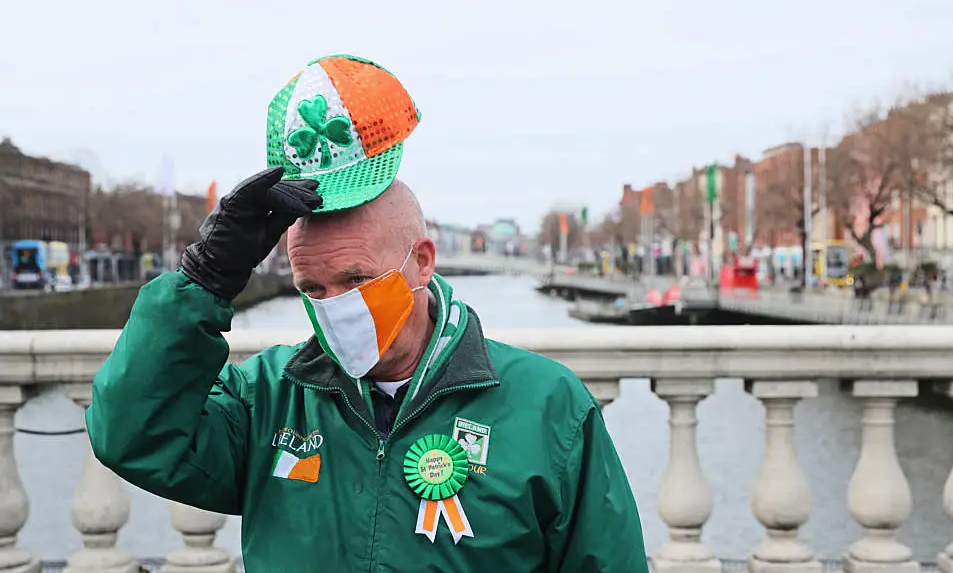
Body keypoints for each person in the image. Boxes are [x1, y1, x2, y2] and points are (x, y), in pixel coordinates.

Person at [86, 54, 647, 572]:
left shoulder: (547, 407)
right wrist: (202, 279)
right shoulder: (268, 399)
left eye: (355, 279)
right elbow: (131, 437)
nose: (336, 307)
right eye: (314, 287)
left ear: (421, 263)